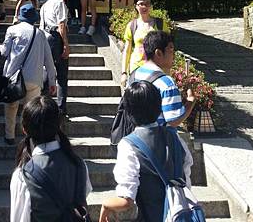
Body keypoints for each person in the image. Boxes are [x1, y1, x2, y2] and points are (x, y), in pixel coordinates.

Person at [99, 80, 193, 222]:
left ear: (129, 111)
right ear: (158, 106)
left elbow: (126, 199)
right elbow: (186, 177)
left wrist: (106, 206)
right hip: (181, 214)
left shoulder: (129, 145)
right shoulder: (175, 137)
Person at [10, 95, 92, 222]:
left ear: (24, 130)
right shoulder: (78, 164)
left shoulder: (23, 175)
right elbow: (82, 196)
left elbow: (19, 219)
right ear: (58, 125)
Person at [0, 4, 56, 146]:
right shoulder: (41, 34)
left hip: (13, 77)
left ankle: (9, 136)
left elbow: (5, 52)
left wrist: (0, 48)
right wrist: (52, 82)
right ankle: (30, 139)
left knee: (11, 106)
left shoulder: (12, 30)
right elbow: (49, 60)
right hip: (34, 78)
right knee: (31, 111)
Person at [133, 30, 197, 127]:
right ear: (158, 53)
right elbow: (174, 120)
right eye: (171, 50)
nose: (174, 55)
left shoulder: (135, 74)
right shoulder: (166, 83)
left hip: (135, 136)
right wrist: (190, 101)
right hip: (158, 139)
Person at [120, 0, 171, 89]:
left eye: (147, 4)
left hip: (156, 68)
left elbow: (168, 48)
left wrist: (167, 70)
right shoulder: (132, 25)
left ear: (151, 6)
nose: (144, 7)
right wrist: (124, 72)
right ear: (136, 6)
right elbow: (127, 50)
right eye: (141, 4)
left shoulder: (160, 24)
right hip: (137, 68)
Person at [39, 0, 70, 117]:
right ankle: (61, 109)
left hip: (45, 37)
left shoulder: (45, 4)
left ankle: (42, 105)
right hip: (56, 38)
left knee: (47, 71)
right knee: (62, 74)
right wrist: (66, 45)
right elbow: (61, 25)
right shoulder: (59, 3)